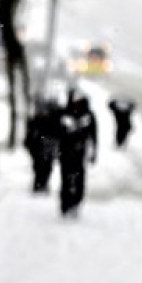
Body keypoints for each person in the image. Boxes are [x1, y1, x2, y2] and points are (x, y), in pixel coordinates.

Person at [57, 87, 98, 217]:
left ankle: (75, 203)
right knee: (65, 179)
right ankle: (65, 203)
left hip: (80, 153)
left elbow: (94, 135)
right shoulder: (64, 113)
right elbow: (57, 132)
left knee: (79, 179)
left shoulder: (88, 115)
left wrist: (93, 152)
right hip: (65, 152)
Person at [23, 95, 62, 193]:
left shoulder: (50, 119)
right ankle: (40, 184)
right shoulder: (37, 120)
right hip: (39, 146)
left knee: (45, 165)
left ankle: (41, 183)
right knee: (40, 165)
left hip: (44, 145)